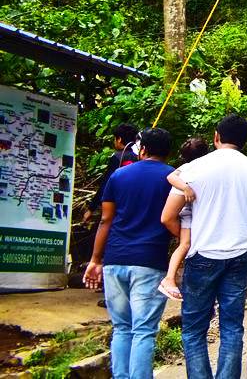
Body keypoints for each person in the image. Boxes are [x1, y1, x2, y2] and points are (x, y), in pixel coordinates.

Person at [161, 114, 247, 379]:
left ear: (216, 137)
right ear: (245, 141)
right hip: (240, 254)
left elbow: (167, 216)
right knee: (232, 328)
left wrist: (189, 237)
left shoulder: (193, 169)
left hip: (202, 254)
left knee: (193, 330)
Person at [83, 127, 173, 379]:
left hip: (114, 260)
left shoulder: (119, 176)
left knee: (122, 327)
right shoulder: (173, 177)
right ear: (169, 151)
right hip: (149, 261)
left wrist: (95, 260)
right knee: (144, 330)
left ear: (142, 149)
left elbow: (106, 220)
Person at [159, 136, 209, 300]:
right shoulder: (190, 168)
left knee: (188, 245)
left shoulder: (190, 167)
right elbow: (171, 177)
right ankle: (169, 279)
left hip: (194, 212)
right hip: (188, 211)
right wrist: (186, 188)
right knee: (185, 244)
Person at [89, 123, 140, 217]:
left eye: (115, 138)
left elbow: (107, 183)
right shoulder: (139, 156)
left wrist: (92, 207)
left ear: (119, 139)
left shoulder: (117, 157)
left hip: (116, 203)